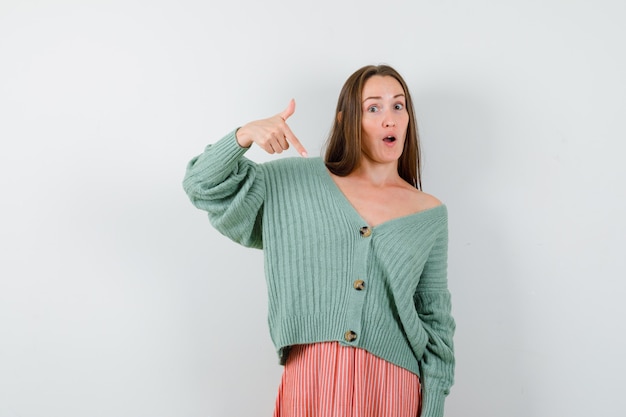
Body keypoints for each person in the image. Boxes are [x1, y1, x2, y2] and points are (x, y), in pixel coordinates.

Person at [183, 64, 455, 417]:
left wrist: (432, 410)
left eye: (398, 106)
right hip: (311, 382)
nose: (389, 119)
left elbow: (435, 323)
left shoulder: (429, 213)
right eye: (374, 107)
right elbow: (201, 186)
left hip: (392, 388)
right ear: (347, 121)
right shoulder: (292, 183)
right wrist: (244, 135)